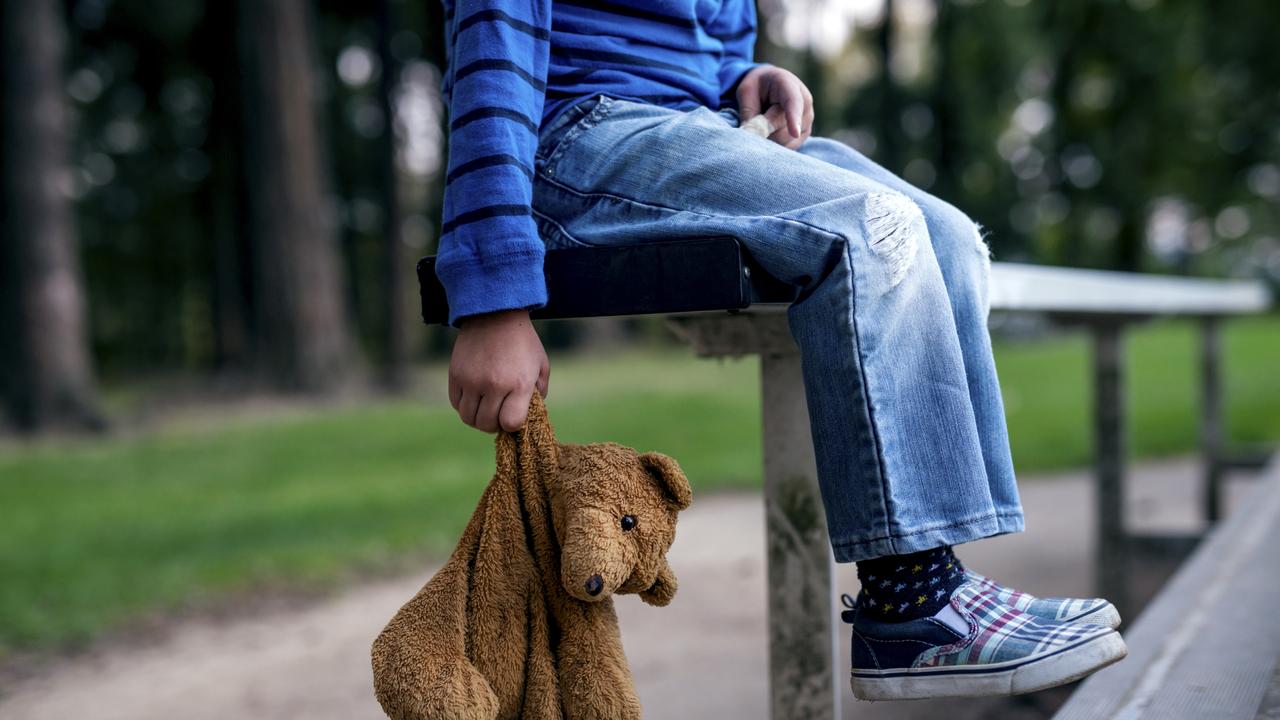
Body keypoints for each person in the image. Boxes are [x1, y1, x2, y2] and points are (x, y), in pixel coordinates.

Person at [438, 0, 1127, 700]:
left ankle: (941, 579)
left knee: (949, 240)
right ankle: (911, 602)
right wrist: (492, 296)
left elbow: (698, 33)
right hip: (576, 132)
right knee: (870, 227)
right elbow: (491, 50)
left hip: (709, 125)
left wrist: (744, 73)